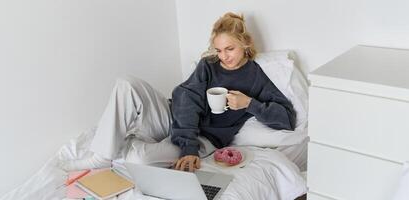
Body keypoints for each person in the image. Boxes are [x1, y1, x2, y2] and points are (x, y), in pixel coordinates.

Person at [59, 12, 296, 173]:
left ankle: (124, 141)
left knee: (137, 160)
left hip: (203, 139)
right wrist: (187, 146)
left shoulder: (255, 77)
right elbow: (186, 98)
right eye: (219, 50)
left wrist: (249, 103)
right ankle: (101, 155)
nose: (224, 56)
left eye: (230, 49)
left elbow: (287, 118)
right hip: (172, 117)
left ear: (245, 43)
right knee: (126, 83)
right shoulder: (208, 65)